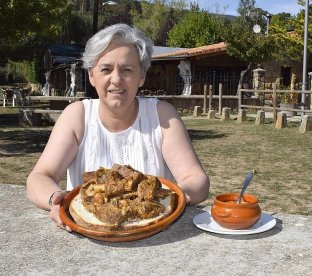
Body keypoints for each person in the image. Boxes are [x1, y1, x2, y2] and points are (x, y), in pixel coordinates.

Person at [26, 23, 210, 231]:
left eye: (127, 69)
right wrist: (56, 199)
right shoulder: (76, 116)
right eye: (105, 69)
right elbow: (39, 177)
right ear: (91, 76)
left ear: (141, 77)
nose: (116, 79)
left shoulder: (162, 115)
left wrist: (172, 198)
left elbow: (197, 179)